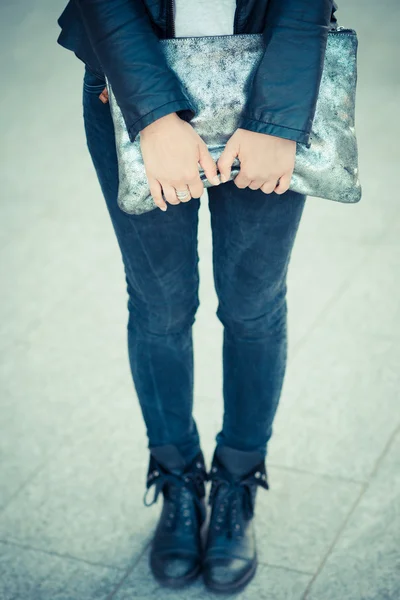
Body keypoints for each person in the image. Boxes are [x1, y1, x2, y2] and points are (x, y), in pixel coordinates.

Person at [57, 0, 337, 593]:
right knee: (159, 307)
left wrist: (278, 120)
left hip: (270, 85)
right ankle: (179, 481)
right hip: (131, 88)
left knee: (254, 306)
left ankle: (235, 481)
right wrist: (153, 115)